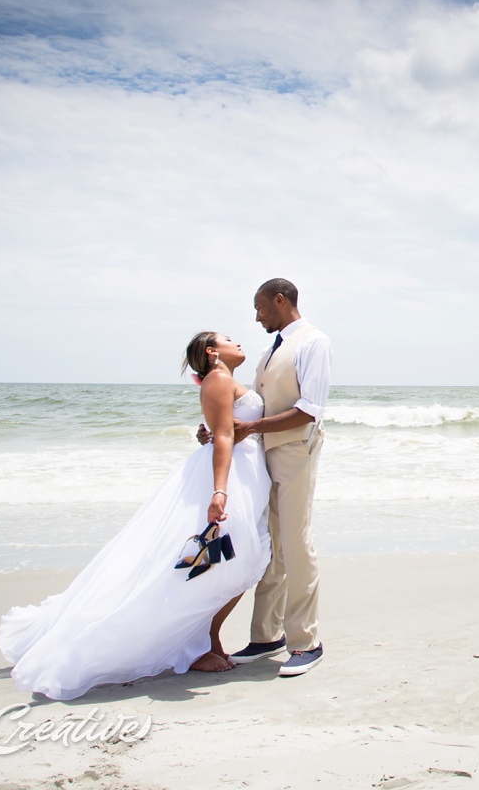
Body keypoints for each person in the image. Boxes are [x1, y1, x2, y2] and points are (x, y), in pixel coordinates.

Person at [0, 332, 272, 700]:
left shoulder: (227, 380)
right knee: (223, 561)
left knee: (230, 561)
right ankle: (197, 645)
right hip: (230, 477)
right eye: (226, 339)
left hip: (244, 475)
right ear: (211, 352)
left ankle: (205, 639)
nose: (237, 341)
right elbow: (223, 437)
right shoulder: (219, 379)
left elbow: (223, 430)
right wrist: (219, 491)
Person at [200, 278, 331, 677]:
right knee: (268, 545)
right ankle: (265, 636)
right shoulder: (268, 350)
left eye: (260, 309)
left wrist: (252, 431)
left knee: (294, 541)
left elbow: (310, 409)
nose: (256, 318)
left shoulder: (313, 342)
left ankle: (306, 641)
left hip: (294, 450)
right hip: (262, 457)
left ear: (280, 300)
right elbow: (251, 409)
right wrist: (216, 431)